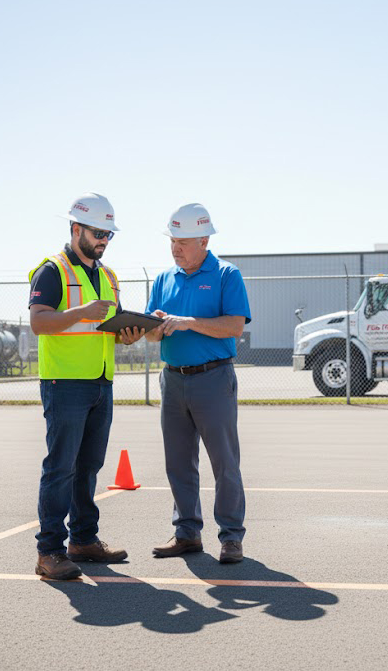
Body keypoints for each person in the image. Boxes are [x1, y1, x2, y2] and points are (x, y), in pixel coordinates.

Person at [28, 192, 146, 580]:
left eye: (109, 235)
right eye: (98, 233)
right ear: (76, 228)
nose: (103, 241)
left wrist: (125, 336)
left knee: (89, 467)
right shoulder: (53, 270)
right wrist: (81, 312)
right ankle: (49, 552)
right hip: (65, 383)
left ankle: (83, 540)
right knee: (60, 467)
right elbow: (40, 322)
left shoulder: (108, 276)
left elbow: (105, 331)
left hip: (100, 382)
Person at [145, 203, 251, 564]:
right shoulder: (163, 279)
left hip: (213, 378)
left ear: (204, 239)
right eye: (172, 241)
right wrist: (150, 329)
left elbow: (235, 325)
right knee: (178, 462)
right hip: (172, 381)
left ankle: (231, 537)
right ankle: (186, 533)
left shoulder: (225, 274)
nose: (175, 249)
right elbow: (151, 334)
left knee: (224, 462)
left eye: (183, 242)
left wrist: (188, 322)